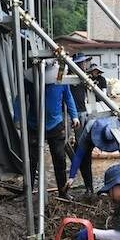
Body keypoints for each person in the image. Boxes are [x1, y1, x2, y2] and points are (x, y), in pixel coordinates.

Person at [40, 63, 80, 198]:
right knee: (33, 160)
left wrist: (74, 116)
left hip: (55, 124)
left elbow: (68, 97)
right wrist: (17, 118)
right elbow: (19, 99)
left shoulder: (60, 80)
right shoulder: (33, 78)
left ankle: (63, 192)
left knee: (59, 159)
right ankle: (31, 191)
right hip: (35, 124)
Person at [63, 117, 120, 193]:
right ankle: (89, 188)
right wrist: (71, 177)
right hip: (91, 134)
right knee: (84, 159)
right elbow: (78, 155)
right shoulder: (89, 130)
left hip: (118, 134)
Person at [69, 53, 93, 192]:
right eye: (82, 63)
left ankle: (78, 167)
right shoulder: (71, 78)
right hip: (76, 113)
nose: (85, 65)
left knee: (83, 146)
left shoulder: (83, 77)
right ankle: (78, 164)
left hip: (84, 111)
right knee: (82, 145)